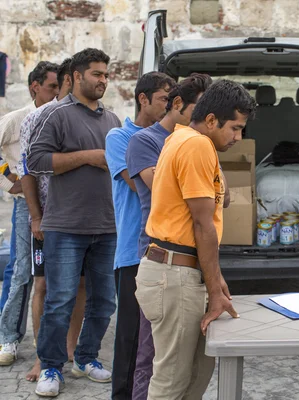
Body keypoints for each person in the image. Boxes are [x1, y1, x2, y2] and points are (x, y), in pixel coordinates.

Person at [134, 79, 255, 399]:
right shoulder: (194, 144)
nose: (238, 137)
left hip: (184, 272)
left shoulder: (186, 139)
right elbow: (203, 226)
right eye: (235, 128)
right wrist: (214, 291)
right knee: (171, 380)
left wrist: (214, 281)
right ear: (212, 120)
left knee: (196, 375)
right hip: (174, 273)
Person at [27, 48, 121, 397]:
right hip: (64, 226)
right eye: (97, 74)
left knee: (104, 301)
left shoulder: (113, 120)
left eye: (106, 75)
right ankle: (52, 366)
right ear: (78, 76)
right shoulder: (57, 115)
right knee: (60, 299)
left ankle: (86, 358)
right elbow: (35, 160)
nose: (103, 80)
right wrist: (87, 158)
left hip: (107, 226)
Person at [125, 72, 212, 400]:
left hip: (194, 260)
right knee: (153, 355)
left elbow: (221, 196)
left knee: (191, 359)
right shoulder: (144, 141)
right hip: (160, 255)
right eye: (200, 110)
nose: (206, 119)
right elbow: (163, 186)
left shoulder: (201, 143)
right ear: (178, 104)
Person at [17, 57, 88, 382]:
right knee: (44, 286)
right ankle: (43, 357)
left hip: (84, 220)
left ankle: (70, 352)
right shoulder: (38, 118)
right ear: (71, 80)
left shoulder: (95, 116)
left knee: (80, 286)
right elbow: (27, 170)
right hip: (48, 219)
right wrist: (35, 216)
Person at [106, 71, 175, 400]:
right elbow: (145, 184)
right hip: (134, 251)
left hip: (166, 250)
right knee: (130, 339)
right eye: (163, 98)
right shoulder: (121, 138)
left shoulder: (173, 138)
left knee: (157, 342)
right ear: (143, 99)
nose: (167, 105)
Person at [0, 61, 59, 366]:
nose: (57, 92)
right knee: (22, 271)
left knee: (56, 276)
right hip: (26, 204)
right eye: (52, 86)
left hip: (59, 204)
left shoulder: (62, 117)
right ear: (35, 86)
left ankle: (51, 341)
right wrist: (7, 179)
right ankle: (8, 337)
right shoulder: (15, 119)